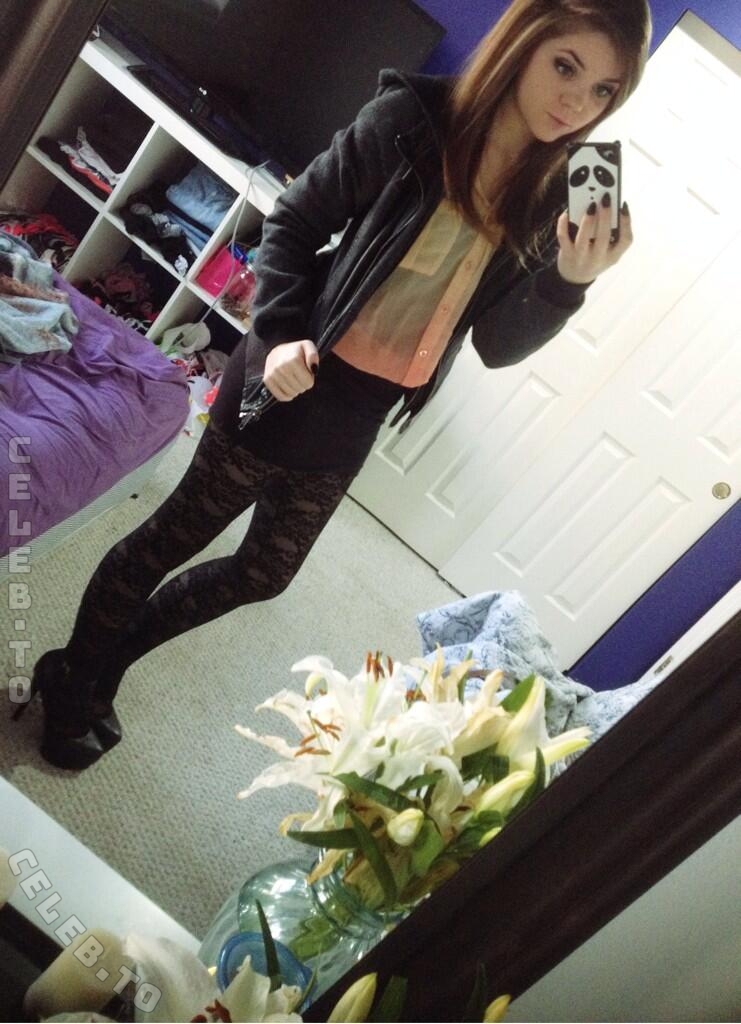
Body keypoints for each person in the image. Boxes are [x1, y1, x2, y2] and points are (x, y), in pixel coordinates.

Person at [16, 0, 652, 768]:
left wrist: (569, 282)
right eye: (565, 67)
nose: (576, 103)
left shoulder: (552, 192)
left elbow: (495, 344)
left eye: (602, 90)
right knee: (172, 536)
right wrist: (277, 334)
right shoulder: (412, 120)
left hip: (363, 406)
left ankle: (98, 666)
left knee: (264, 573)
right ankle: (75, 677)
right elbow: (294, 221)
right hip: (293, 368)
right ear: (521, 44)